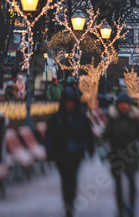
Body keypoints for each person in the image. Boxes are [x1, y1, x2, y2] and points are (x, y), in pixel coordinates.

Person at [45, 86, 95, 217]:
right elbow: (50, 135)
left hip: (76, 154)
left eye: (71, 102)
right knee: (65, 179)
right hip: (61, 154)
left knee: (72, 179)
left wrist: (90, 149)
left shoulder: (81, 116)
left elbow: (87, 134)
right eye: (67, 102)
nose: (69, 104)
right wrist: (50, 152)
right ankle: (67, 203)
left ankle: (70, 204)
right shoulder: (57, 117)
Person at [104, 92, 139, 217]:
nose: (124, 106)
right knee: (118, 185)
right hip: (116, 155)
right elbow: (104, 135)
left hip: (131, 156)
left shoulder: (134, 118)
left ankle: (132, 206)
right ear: (117, 105)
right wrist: (102, 149)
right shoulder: (112, 118)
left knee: (132, 182)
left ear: (129, 105)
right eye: (121, 104)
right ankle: (120, 208)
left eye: (126, 104)